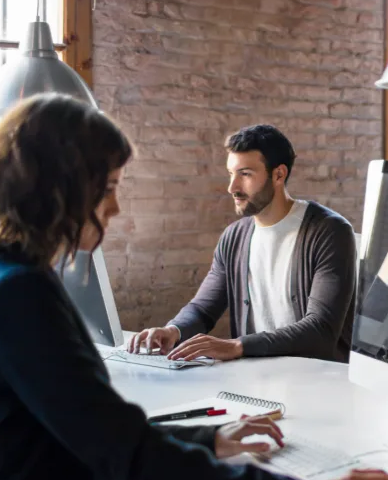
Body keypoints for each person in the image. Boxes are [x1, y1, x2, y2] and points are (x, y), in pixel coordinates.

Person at [0, 94, 388, 480]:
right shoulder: (19, 297)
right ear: (63, 188)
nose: (116, 208)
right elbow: (127, 452)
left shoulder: (8, 282)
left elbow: (100, 434)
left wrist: (208, 438)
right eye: (108, 188)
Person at [129, 125, 357, 363]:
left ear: (279, 175)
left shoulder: (329, 231)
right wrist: (173, 330)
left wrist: (238, 345)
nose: (232, 188)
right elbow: (203, 309)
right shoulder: (234, 237)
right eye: (231, 173)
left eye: (245, 174)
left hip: (316, 380)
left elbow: (320, 330)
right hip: (253, 378)